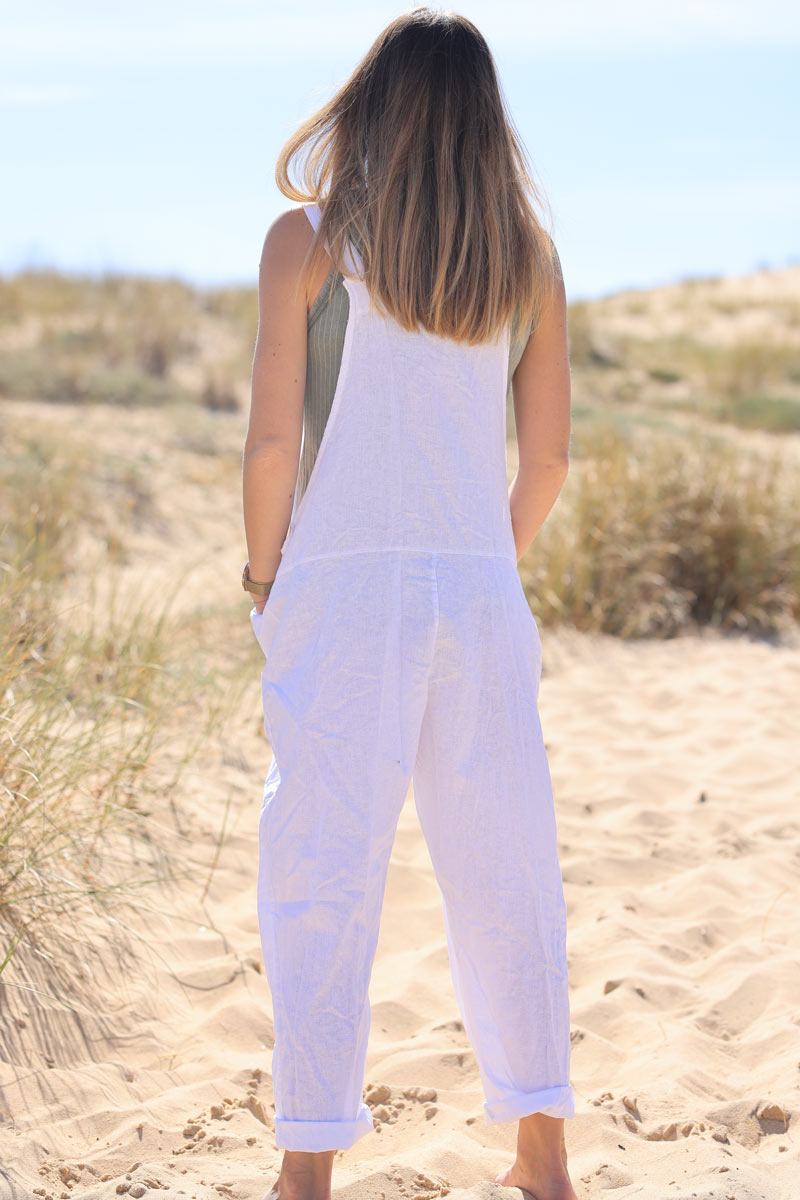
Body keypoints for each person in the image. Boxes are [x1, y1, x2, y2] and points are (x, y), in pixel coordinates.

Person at [241, 8, 575, 1200]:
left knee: (322, 869)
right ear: (485, 123)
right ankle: (541, 1154)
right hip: (479, 591)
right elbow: (542, 468)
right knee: (505, 869)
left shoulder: (310, 245)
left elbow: (274, 440)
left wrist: (266, 582)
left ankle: (308, 1167)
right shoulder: (524, 258)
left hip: (341, 589)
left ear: (370, 103)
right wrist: (486, 566)